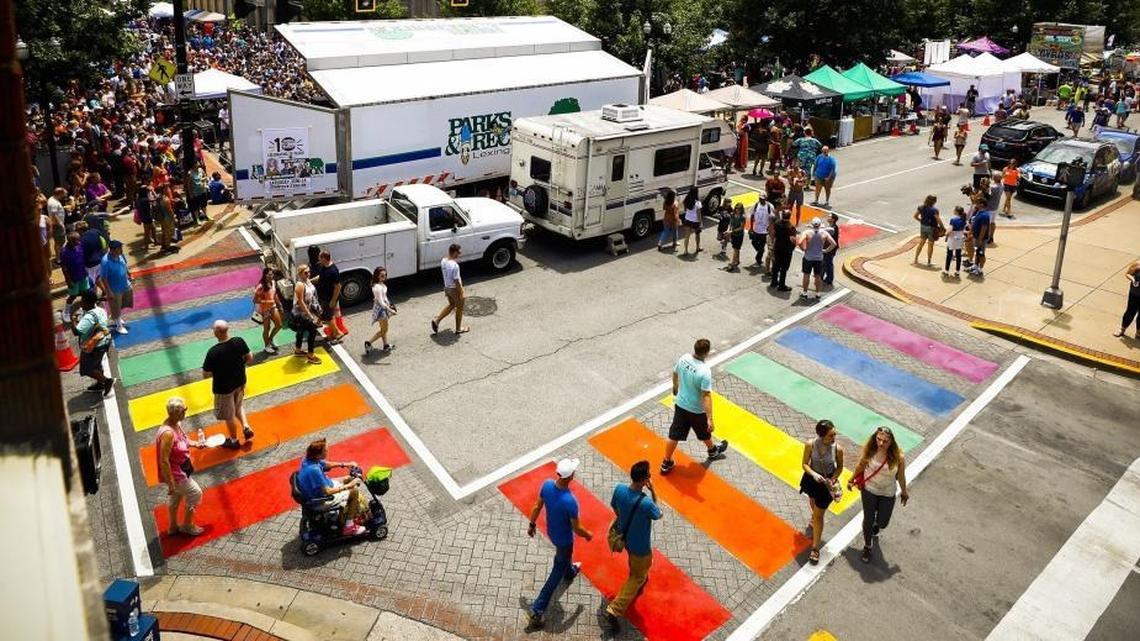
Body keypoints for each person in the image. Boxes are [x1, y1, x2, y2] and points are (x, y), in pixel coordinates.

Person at [525, 458, 592, 630]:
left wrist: (532, 525)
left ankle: (569, 571)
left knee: (563, 560)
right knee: (557, 571)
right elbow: (577, 528)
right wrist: (588, 535)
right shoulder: (570, 501)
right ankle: (538, 609)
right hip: (564, 540)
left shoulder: (547, 485)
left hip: (552, 532)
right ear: (571, 476)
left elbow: (537, 506)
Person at [603, 460, 663, 634]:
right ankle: (615, 609)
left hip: (625, 538)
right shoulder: (645, 503)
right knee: (637, 577)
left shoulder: (620, 489)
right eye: (649, 476)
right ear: (645, 479)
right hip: (641, 546)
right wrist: (653, 491)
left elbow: (614, 507)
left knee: (635, 565)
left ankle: (637, 575)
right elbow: (658, 514)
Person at [660, 338, 729, 475]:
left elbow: (675, 373)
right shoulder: (704, 371)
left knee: (674, 435)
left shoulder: (684, 358)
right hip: (696, 410)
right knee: (704, 431)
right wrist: (710, 418)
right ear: (707, 353)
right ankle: (713, 452)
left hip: (680, 404)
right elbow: (706, 396)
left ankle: (666, 462)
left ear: (695, 349)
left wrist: (675, 387)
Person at [847, 427, 909, 563]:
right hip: (869, 490)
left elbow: (901, 476)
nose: (881, 444)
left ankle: (876, 525)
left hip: (888, 493)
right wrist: (851, 479)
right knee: (868, 519)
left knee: (883, 522)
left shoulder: (899, 458)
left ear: (891, 442)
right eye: (878, 440)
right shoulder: (870, 451)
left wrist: (904, 491)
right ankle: (868, 546)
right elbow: (860, 466)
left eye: (885, 441)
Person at [296, 439, 369, 536]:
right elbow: (328, 491)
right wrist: (348, 486)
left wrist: (345, 464)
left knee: (348, 478)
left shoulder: (308, 459)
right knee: (354, 492)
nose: (328, 451)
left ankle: (344, 511)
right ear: (318, 455)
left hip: (320, 489)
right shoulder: (314, 470)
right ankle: (349, 526)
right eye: (325, 451)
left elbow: (326, 464)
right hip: (320, 500)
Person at [156, 397, 205, 536]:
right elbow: (164, 460)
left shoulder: (176, 424)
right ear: (172, 413)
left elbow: (184, 440)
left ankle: (172, 527)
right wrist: (171, 483)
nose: (184, 413)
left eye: (185, 410)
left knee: (176, 498)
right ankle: (188, 525)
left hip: (181, 468)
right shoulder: (167, 434)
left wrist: (196, 443)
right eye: (182, 411)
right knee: (195, 493)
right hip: (176, 473)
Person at [202, 319, 254, 450]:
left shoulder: (213, 352)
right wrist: (240, 367)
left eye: (214, 329)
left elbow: (206, 374)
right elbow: (250, 357)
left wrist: (219, 372)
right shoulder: (238, 341)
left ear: (217, 332)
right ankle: (246, 427)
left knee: (229, 415)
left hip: (223, 388)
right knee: (238, 405)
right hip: (240, 381)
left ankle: (234, 440)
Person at [800, 419, 844, 565]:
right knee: (812, 500)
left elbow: (839, 468)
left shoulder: (837, 449)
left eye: (834, 434)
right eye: (831, 435)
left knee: (819, 516)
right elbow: (804, 464)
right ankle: (814, 517)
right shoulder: (810, 444)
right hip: (812, 480)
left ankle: (815, 548)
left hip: (826, 484)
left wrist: (833, 478)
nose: (834, 437)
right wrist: (814, 474)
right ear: (822, 435)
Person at [73, 290, 115, 397]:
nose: (81, 303)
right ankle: (100, 384)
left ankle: (106, 381)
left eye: (82, 301)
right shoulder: (100, 310)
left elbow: (76, 332)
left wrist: (72, 319)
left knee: (87, 368)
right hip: (104, 341)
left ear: (87, 302)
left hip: (94, 346)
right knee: (96, 364)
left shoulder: (88, 317)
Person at [431, 243, 469, 335]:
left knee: (452, 305)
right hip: (454, 289)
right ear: (455, 252)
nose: (459, 254)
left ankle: (437, 321)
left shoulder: (443, 261)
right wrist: (461, 293)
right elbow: (456, 281)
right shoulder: (455, 266)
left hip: (447, 288)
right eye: (458, 252)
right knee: (459, 308)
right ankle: (458, 329)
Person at [98, 240, 132, 335]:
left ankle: (118, 317)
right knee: (115, 306)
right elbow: (103, 278)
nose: (121, 250)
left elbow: (124, 266)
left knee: (121, 303)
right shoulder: (105, 262)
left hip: (124, 284)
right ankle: (118, 326)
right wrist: (108, 291)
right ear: (112, 250)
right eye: (119, 248)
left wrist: (129, 274)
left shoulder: (120, 255)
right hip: (114, 288)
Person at [798, 217, 836, 299]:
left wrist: (803, 249)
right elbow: (834, 244)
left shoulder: (807, 232)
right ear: (820, 225)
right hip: (819, 258)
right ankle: (818, 293)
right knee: (818, 276)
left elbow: (800, 242)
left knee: (806, 275)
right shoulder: (824, 233)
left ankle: (804, 292)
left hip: (808, 257)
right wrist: (825, 250)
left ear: (812, 224)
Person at [292, 265, 323, 364]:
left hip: (305, 312)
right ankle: (310, 355)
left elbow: (312, 293)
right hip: (301, 314)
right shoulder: (300, 285)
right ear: (300, 274)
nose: (308, 274)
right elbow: (301, 302)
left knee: (300, 332)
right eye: (306, 272)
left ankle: (298, 350)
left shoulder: (307, 281)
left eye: (309, 272)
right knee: (312, 332)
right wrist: (310, 315)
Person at [314, 250, 344, 344]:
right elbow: (320, 277)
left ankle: (338, 333)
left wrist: (333, 300)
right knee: (325, 316)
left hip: (329, 298)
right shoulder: (324, 266)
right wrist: (310, 280)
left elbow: (338, 286)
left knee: (328, 317)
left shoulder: (333, 271)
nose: (319, 260)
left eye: (320, 258)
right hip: (323, 297)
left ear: (324, 258)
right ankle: (332, 335)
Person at [365, 266, 396, 354]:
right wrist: (391, 310)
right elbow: (381, 302)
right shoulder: (377, 287)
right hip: (381, 310)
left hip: (383, 308)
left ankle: (385, 345)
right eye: (382, 275)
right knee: (384, 330)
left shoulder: (380, 284)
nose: (384, 277)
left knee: (383, 329)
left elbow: (384, 298)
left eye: (385, 275)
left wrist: (389, 304)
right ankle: (369, 343)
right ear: (377, 276)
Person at [60, 232, 90, 319]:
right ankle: (66, 311)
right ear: (70, 241)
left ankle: (84, 309)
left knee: (85, 293)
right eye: (76, 241)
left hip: (83, 275)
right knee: (73, 295)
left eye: (79, 240)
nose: (79, 242)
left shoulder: (79, 246)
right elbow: (64, 268)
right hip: (73, 278)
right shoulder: (64, 252)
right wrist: (68, 280)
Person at [253, 267, 283, 353]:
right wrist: (267, 301)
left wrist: (279, 304)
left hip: (273, 307)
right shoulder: (261, 286)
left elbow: (275, 294)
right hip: (264, 310)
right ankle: (267, 345)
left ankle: (270, 339)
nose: (271, 276)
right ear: (265, 275)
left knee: (279, 325)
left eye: (272, 274)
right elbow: (255, 300)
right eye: (269, 274)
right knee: (267, 328)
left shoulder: (273, 282)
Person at [769, 210, 797, 292]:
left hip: (778, 247)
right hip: (786, 250)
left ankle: (774, 282)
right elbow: (793, 240)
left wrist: (773, 243)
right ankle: (781, 285)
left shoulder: (777, 224)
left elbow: (772, 234)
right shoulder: (791, 227)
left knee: (776, 265)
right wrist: (793, 247)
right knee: (784, 268)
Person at [912, 195, 943, 266]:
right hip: (931, 228)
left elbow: (915, 216)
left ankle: (916, 259)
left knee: (921, 243)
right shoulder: (934, 210)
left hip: (923, 227)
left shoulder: (921, 207)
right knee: (930, 245)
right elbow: (938, 220)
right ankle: (929, 262)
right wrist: (942, 227)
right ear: (934, 201)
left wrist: (921, 221)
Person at [1113, 259, 1140, 339]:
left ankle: (1138, 333)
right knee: (1130, 312)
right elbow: (1128, 274)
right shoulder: (1137, 264)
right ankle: (1122, 330)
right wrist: (1133, 280)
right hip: (1135, 294)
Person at [77, 220, 106, 289]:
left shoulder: (81, 240)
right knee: (99, 278)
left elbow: (81, 254)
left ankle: (99, 294)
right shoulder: (95, 231)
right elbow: (103, 242)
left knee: (92, 282)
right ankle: (105, 291)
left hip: (90, 264)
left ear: (79, 230)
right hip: (101, 258)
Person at [748, 194, 774, 270]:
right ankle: (760, 252)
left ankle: (758, 259)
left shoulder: (769, 206)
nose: (761, 200)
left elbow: (772, 217)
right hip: (756, 229)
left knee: (761, 246)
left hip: (764, 231)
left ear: (766, 199)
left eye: (763, 199)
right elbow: (752, 215)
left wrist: (770, 227)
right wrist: (751, 227)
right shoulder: (756, 205)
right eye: (760, 198)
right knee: (754, 242)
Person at [943, 206, 967, 277]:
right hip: (960, 239)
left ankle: (946, 270)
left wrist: (946, 234)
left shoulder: (953, 220)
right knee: (958, 255)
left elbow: (950, 229)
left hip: (952, 239)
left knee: (949, 255)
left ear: (956, 211)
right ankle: (957, 271)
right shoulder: (964, 220)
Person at [47, 187, 68, 263]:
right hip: (57, 226)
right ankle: (60, 259)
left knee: (59, 242)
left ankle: (60, 257)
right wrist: (60, 224)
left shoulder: (53, 200)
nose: (65, 195)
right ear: (60, 193)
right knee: (60, 243)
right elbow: (53, 215)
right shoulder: (53, 202)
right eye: (64, 194)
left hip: (57, 225)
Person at [968, 207, 991, 278]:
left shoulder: (985, 215)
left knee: (981, 254)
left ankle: (980, 269)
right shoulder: (979, 212)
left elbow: (984, 228)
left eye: (977, 203)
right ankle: (975, 266)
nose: (976, 205)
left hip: (981, 239)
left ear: (982, 204)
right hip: (976, 237)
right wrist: (971, 232)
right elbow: (974, 223)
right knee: (977, 252)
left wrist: (980, 239)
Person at [680, 189, 703, 255]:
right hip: (695, 221)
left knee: (687, 236)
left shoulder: (686, 200)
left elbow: (685, 210)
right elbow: (699, 214)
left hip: (687, 220)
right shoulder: (697, 203)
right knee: (697, 235)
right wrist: (701, 223)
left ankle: (686, 251)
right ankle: (697, 248)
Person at [725, 202, 746, 272]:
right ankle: (737, 260)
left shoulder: (742, 217)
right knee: (736, 248)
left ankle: (732, 263)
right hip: (733, 234)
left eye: (739, 209)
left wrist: (732, 231)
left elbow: (741, 227)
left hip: (739, 235)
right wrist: (728, 230)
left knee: (736, 249)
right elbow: (730, 223)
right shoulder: (732, 215)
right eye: (736, 208)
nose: (737, 210)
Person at [822, 212, 840, 285]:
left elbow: (824, 232)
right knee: (824, 263)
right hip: (828, 247)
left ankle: (829, 279)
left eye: (829, 217)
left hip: (830, 249)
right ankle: (821, 276)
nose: (828, 217)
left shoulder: (833, 228)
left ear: (833, 219)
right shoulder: (832, 226)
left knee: (828, 264)